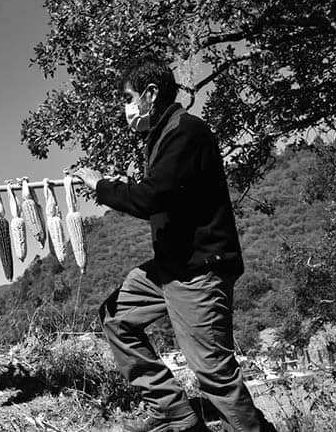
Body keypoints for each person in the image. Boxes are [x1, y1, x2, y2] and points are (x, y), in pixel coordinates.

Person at [73, 57, 275, 432]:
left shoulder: (186, 132)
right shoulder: (162, 138)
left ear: (151, 94)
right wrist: (123, 186)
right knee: (117, 317)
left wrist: (101, 187)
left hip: (198, 270)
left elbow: (153, 198)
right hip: (170, 266)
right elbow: (161, 193)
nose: (126, 107)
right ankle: (174, 413)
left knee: (212, 372)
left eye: (128, 97)